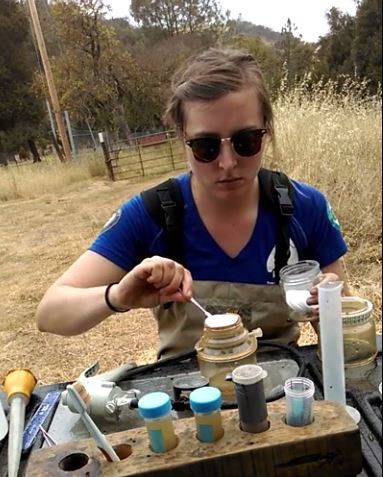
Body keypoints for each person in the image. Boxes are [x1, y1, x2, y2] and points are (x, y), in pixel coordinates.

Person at [36, 47, 349, 358]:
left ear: (266, 132)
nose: (227, 163)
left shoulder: (304, 208)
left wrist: (334, 306)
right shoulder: (151, 214)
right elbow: (50, 313)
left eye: (245, 141)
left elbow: (350, 343)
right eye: (205, 147)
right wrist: (118, 295)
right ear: (180, 137)